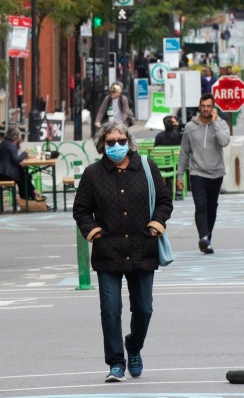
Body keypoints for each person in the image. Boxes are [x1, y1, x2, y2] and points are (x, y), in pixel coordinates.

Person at [72, 120, 173, 383]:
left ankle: (134, 347)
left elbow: (164, 200)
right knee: (110, 309)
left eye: (120, 140)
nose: (116, 146)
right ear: (102, 145)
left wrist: (157, 222)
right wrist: (92, 231)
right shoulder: (93, 174)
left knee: (144, 309)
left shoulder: (147, 167)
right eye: (110, 142)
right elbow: (81, 209)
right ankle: (116, 362)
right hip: (108, 252)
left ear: (129, 142)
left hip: (143, 248)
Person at [176, 93, 231, 253]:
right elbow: (184, 152)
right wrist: (180, 175)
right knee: (200, 205)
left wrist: (215, 124)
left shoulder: (221, 124)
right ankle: (203, 237)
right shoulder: (190, 127)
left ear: (213, 108)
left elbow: (225, 142)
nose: (205, 109)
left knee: (212, 207)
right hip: (197, 173)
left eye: (209, 106)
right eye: (203, 106)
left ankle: (207, 238)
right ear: (199, 107)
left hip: (216, 173)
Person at [0, 126, 46, 202]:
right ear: (16, 137)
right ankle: (30, 196)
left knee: (24, 175)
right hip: (4, 174)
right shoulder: (11, 145)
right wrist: (25, 152)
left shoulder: (3, 143)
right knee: (24, 178)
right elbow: (16, 160)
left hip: (0, 173)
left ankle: (30, 195)